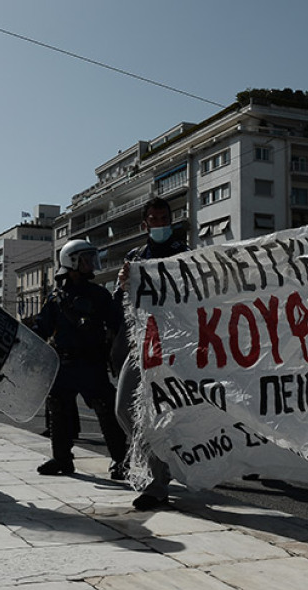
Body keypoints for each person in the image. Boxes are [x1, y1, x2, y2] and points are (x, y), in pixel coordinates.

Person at [112, 198, 190, 510]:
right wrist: (121, 284)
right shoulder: (135, 257)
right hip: (141, 344)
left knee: (174, 415)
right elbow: (122, 300)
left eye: (164, 218)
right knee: (124, 409)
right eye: (154, 219)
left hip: (174, 346)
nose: (159, 224)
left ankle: (159, 483)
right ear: (145, 225)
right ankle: (161, 463)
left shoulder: (183, 254)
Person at [34, 239, 128, 479]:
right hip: (63, 363)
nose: (90, 264)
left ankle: (120, 461)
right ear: (71, 262)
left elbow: (117, 322)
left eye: (90, 258)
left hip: (92, 362)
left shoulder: (99, 295)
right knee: (58, 410)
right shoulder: (55, 298)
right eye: (85, 259)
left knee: (106, 410)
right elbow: (41, 328)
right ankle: (62, 459)